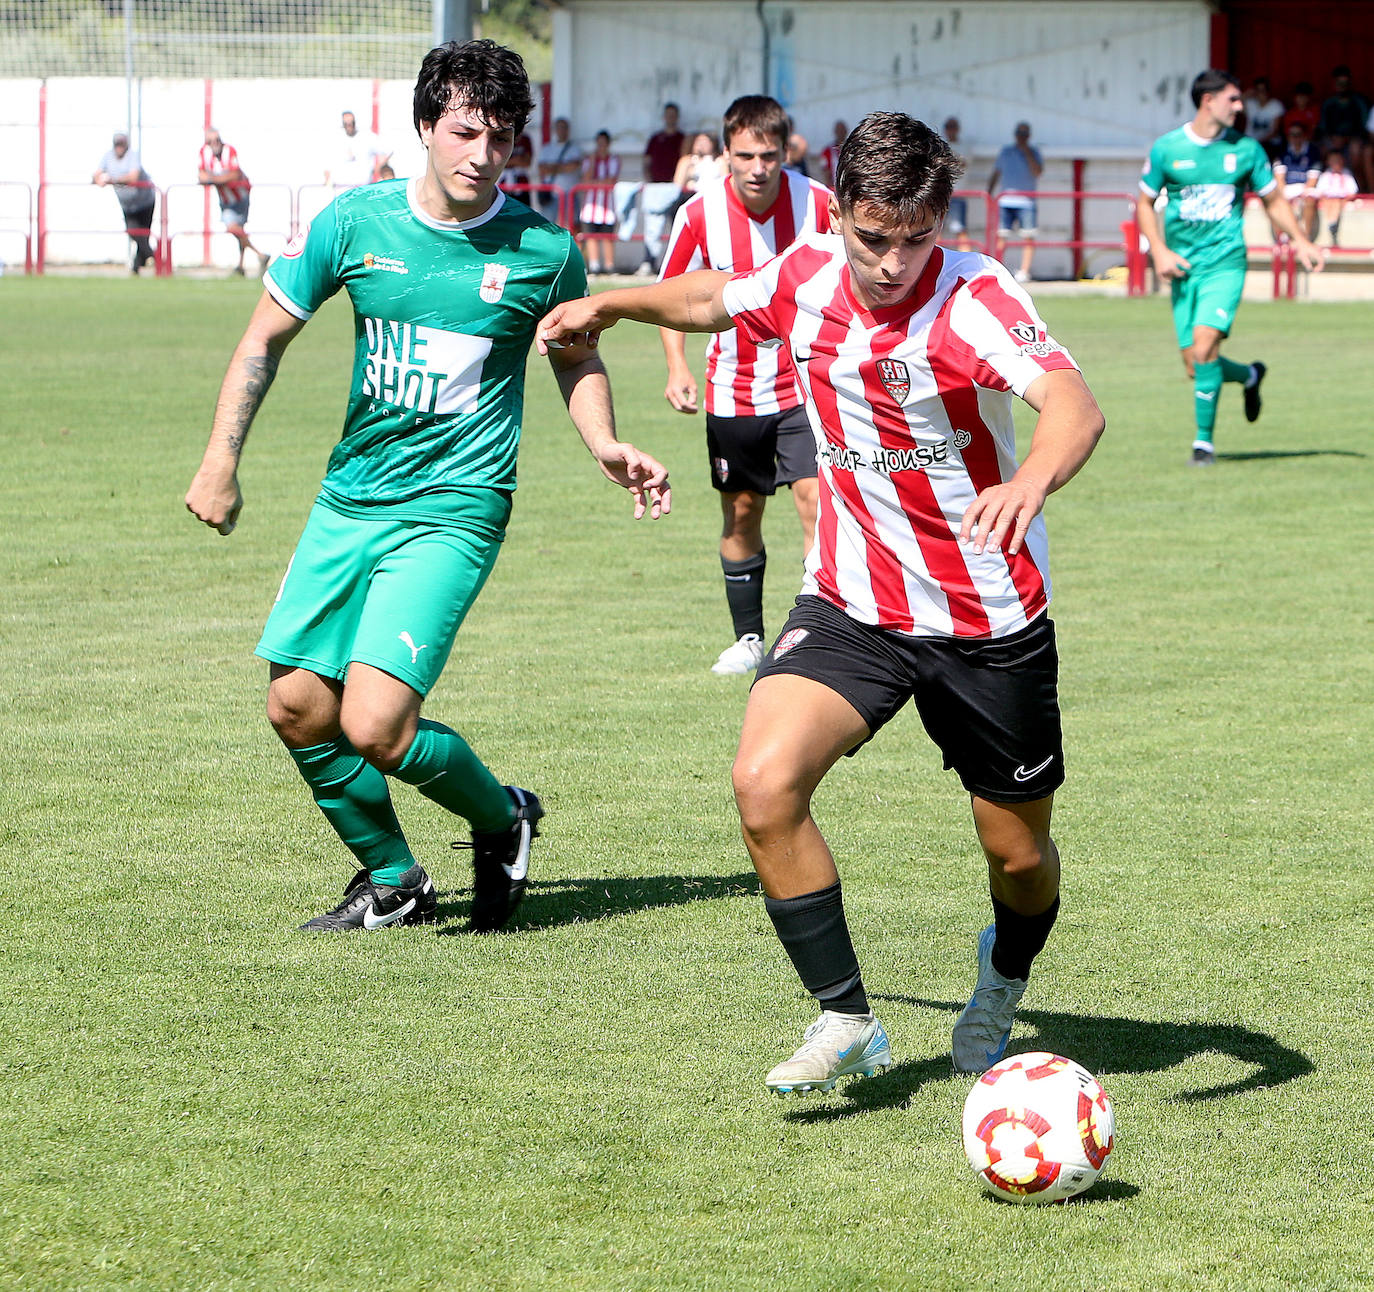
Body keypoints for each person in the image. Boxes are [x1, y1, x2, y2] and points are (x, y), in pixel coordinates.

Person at [537, 111, 1106, 1093]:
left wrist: (1030, 481)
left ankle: (1006, 970)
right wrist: (613, 304)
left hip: (985, 617)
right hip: (852, 600)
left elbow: (1072, 403)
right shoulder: (804, 275)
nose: (892, 263)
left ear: (942, 221)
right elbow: (716, 295)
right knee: (764, 783)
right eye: (872, 237)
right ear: (838, 211)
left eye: (915, 238)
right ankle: (847, 1018)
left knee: (1018, 857)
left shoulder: (975, 298)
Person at [185, 39, 671, 935]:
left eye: (501, 138)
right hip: (351, 496)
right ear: (423, 126)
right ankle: (395, 882)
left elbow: (576, 357)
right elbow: (263, 340)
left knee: (373, 722)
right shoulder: (354, 223)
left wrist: (604, 441)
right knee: (296, 706)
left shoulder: (543, 251)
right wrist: (221, 460)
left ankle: (502, 817)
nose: (482, 155)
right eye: (463, 132)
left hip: (456, 505)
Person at [656, 95, 830, 676]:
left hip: (806, 388)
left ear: (787, 152)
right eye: (746, 156)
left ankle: (814, 637)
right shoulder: (698, 214)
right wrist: (677, 366)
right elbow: (670, 295)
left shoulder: (820, 204)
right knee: (742, 512)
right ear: (726, 153)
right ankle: (749, 638)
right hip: (733, 390)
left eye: (769, 156)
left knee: (816, 503)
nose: (758, 168)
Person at [1137, 69, 1323, 467]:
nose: (1240, 107)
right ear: (1208, 101)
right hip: (1182, 268)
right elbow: (1144, 202)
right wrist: (1159, 251)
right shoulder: (1168, 148)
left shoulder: (1247, 150)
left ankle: (1203, 445)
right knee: (1195, 364)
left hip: (1225, 263)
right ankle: (1250, 376)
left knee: (1205, 345)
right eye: (1233, 99)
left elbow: (1273, 201)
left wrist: (1301, 240)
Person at [197, 127, 267, 276]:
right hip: (225, 198)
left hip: (241, 196)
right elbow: (201, 176)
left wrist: (212, 179)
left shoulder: (230, 151)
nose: (215, 143)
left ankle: (258, 256)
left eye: (217, 140)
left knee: (235, 228)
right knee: (237, 230)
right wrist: (219, 179)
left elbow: (234, 175)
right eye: (211, 141)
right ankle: (248, 262)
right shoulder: (204, 153)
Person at [92, 131, 156, 273]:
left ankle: (140, 265)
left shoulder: (132, 156)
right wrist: (99, 180)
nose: (119, 147)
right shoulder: (108, 157)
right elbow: (96, 174)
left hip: (145, 201)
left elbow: (133, 177)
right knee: (134, 232)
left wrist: (113, 180)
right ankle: (153, 257)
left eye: (122, 144)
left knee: (142, 234)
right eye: (117, 144)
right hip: (128, 205)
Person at [988, 121, 1042, 282]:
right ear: (1015, 135)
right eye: (1019, 134)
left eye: (1024, 134)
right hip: (1005, 200)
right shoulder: (1006, 151)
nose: (1021, 137)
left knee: (1028, 236)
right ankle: (997, 268)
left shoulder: (1034, 152)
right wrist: (989, 192)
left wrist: (1027, 153)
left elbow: (1037, 172)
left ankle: (1025, 271)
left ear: (1029, 136)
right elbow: (996, 172)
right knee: (1001, 236)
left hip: (1027, 201)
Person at [1319, 66, 1370, 192]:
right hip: (1333, 139)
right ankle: (1323, 186)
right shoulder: (1329, 103)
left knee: (1355, 149)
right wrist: (1333, 138)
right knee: (1322, 148)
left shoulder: (1359, 101)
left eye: (1345, 83)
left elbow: (1365, 128)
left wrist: (1347, 138)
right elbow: (1323, 127)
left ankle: (1360, 188)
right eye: (1339, 83)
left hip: (1353, 140)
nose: (1342, 87)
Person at [579, 129, 621, 274]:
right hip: (590, 206)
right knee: (591, 235)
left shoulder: (614, 159)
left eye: (603, 143)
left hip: (608, 205)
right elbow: (585, 180)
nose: (601, 146)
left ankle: (609, 266)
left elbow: (611, 181)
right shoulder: (589, 160)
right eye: (599, 143)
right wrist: (592, 162)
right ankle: (594, 265)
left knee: (607, 236)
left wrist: (594, 182)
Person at [1273, 122, 1322, 240]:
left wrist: (1301, 196)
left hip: (1305, 187)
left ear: (1304, 136)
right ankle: (1280, 239)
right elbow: (1279, 178)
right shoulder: (1282, 150)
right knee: (1275, 199)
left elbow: (1313, 180)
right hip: (1288, 187)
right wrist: (1283, 195)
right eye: (1292, 135)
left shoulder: (1313, 151)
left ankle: (1305, 237)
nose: (1295, 138)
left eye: (1298, 134)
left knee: (1309, 198)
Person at [324, 110, 391, 189]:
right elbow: (327, 164)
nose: (349, 125)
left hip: (362, 187)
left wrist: (377, 168)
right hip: (341, 188)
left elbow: (388, 151)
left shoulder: (367, 137)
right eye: (346, 123)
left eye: (351, 123)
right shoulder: (335, 139)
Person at [537, 116, 583, 224]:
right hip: (551, 193)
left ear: (568, 130)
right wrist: (563, 166)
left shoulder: (575, 149)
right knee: (547, 225)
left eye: (564, 127)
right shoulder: (547, 148)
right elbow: (542, 169)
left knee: (572, 225)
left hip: (570, 194)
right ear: (555, 130)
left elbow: (573, 166)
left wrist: (552, 167)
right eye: (559, 127)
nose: (561, 130)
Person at [942, 115, 975, 251]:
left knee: (960, 230)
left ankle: (967, 259)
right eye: (948, 127)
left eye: (953, 127)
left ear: (958, 129)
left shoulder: (964, 147)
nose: (950, 130)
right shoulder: (940, 145)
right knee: (936, 231)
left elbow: (962, 163)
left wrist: (946, 160)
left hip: (958, 194)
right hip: (941, 195)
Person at [1314, 149, 1359, 245]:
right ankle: (1332, 225)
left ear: (1343, 161)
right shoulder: (1326, 175)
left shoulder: (1347, 174)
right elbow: (1320, 192)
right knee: (1331, 202)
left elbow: (1353, 192)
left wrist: (1343, 199)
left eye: (1338, 160)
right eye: (1333, 160)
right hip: (1328, 200)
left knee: (1337, 203)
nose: (1336, 163)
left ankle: (1332, 224)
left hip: (1342, 200)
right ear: (1328, 162)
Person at [1242, 76, 1285, 159]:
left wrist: (1259, 141)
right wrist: (1247, 94)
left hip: (1269, 144)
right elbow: (1235, 103)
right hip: (1250, 142)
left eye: (1264, 90)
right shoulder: (1250, 103)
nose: (1262, 93)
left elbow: (1275, 131)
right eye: (1259, 90)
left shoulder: (1276, 105)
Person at [671, 131, 726, 196]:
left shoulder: (720, 161)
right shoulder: (687, 160)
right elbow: (677, 184)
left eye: (705, 142)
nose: (701, 145)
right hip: (691, 195)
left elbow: (725, 181)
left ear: (713, 144)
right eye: (698, 141)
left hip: (714, 194)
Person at [644, 102, 687, 183]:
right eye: (668, 115)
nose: (670, 117)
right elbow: (646, 162)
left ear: (677, 117)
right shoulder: (655, 139)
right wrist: (649, 180)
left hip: (674, 184)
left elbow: (686, 160)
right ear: (664, 117)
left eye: (673, 115)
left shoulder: (683, 139)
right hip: (655, 183)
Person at [819, 120, 847, 189]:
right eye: (839, 131)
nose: (840, 133)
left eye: (842, 131)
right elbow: (825, 171)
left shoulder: (852, 148)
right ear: (835, 132)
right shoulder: (827, 151)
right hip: (833, 188)